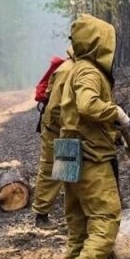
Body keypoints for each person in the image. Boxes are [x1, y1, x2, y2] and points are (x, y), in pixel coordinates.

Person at [56, 14, 130, 259]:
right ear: (97, 43)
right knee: (106, 217)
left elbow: (72, 116)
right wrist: (116, 112)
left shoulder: (72, 70)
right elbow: (88, 106)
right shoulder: (90, 72)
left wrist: (117, 136)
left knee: (78, 219)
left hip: (67, 150)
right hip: (89, 155)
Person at [32, 48, 75, 230]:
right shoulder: (68, 70)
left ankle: (71, 215)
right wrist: (69, 128)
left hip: (61, 127)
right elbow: (57, 107)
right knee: (52, 169)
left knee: (67, 168)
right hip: (56, 127)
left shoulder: (75, 68)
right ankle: (41, 215)